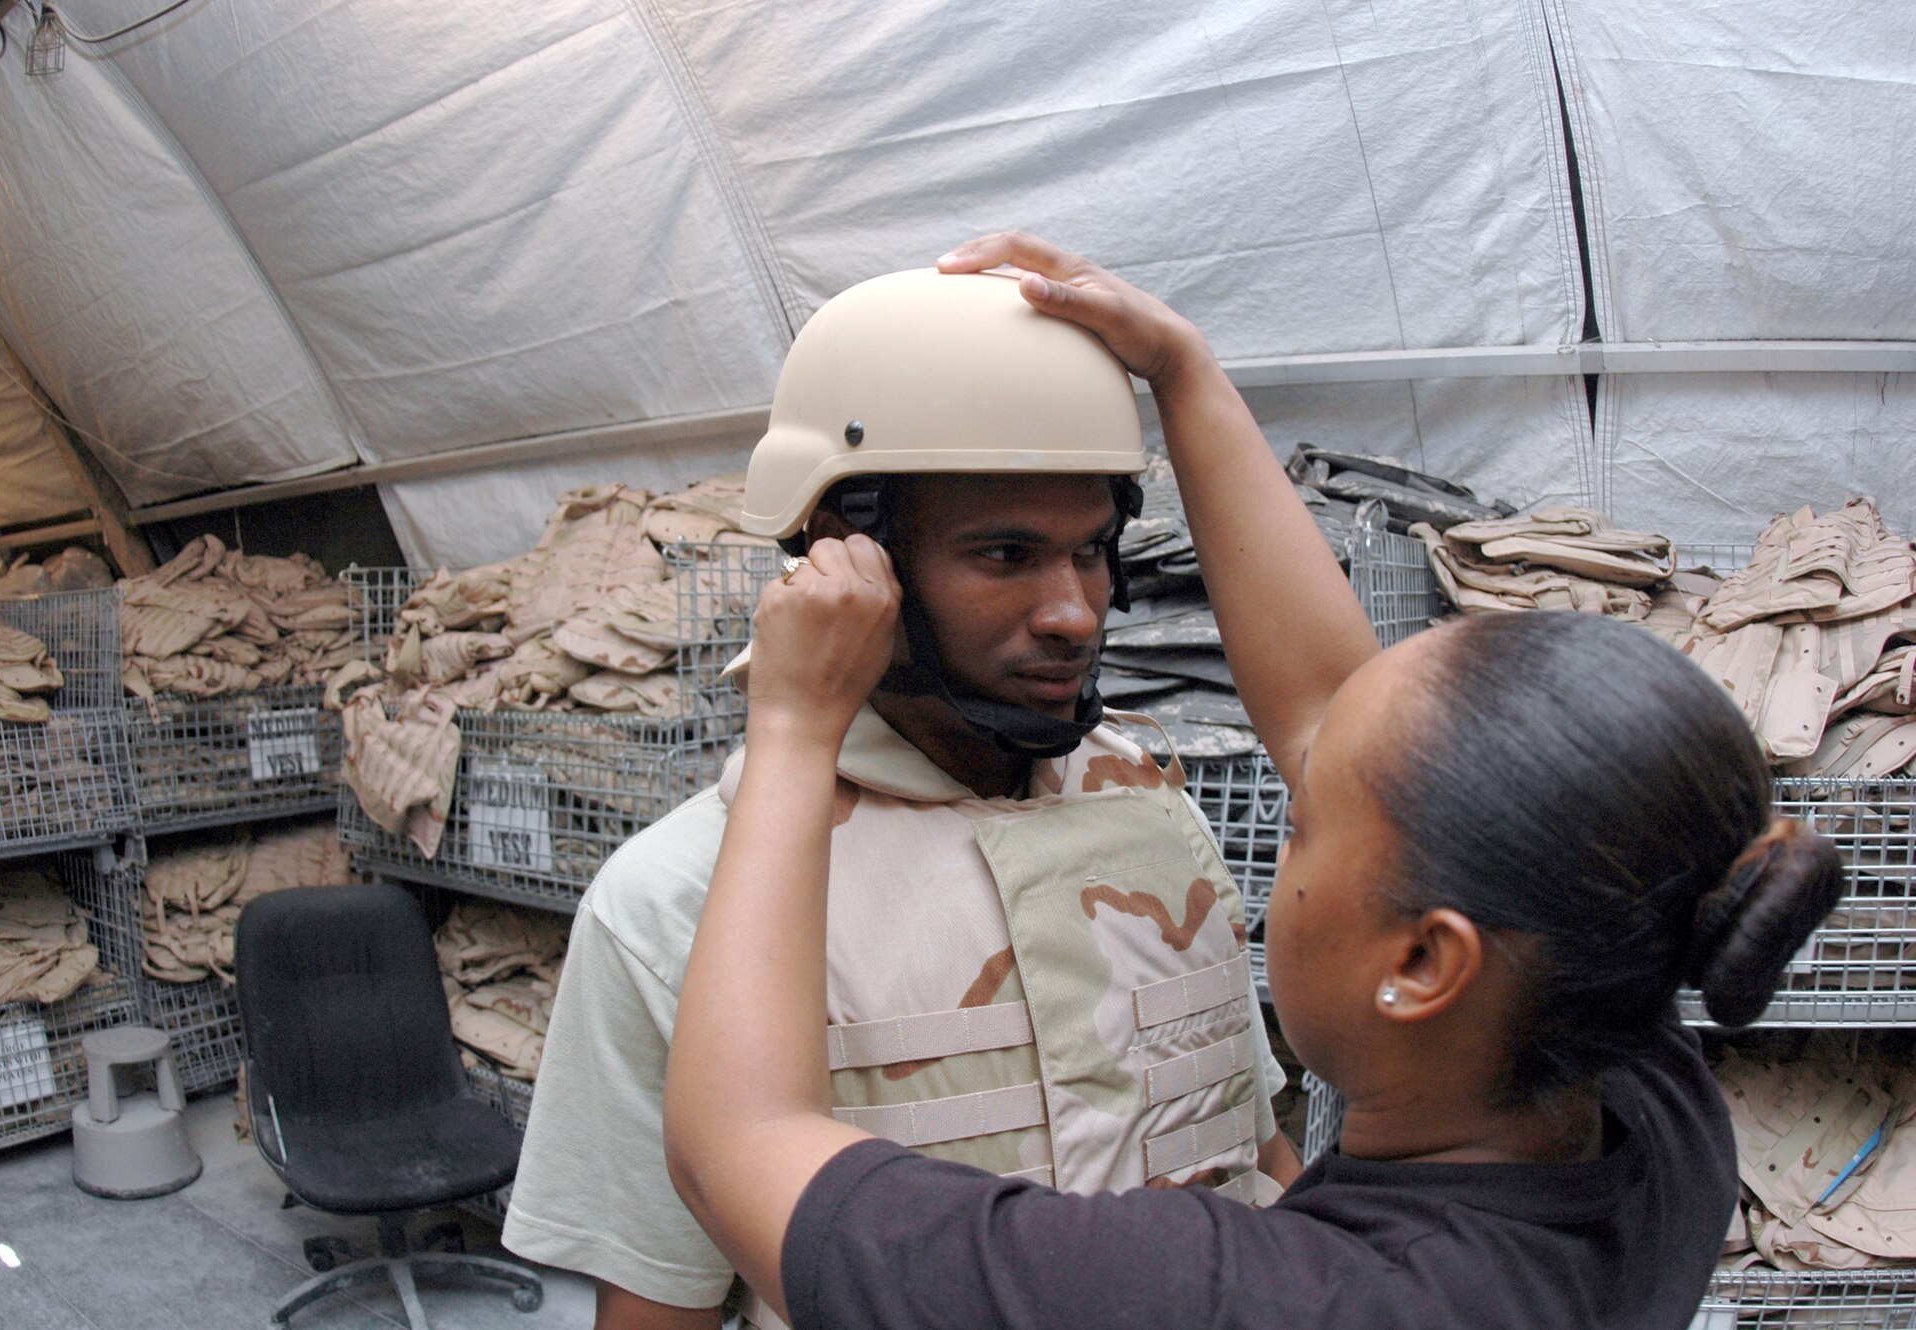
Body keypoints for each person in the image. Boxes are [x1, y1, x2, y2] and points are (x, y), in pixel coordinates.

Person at [660, 233, 1849, 1329]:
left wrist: (792, 728)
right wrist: (1179, 373)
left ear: (1424, 963)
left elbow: (735, 1143)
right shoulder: (1646, 1100)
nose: (1071, 605)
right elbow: (1333, 705)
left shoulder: (1240, 1295)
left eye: (1303, 826)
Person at [503, 255, 1379, 1327]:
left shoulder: (1146, 807)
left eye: (1092, 551)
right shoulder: (679, 898)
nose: (1073, 611)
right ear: (849, 557)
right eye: (1004, 553)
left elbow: (1247, 1152)